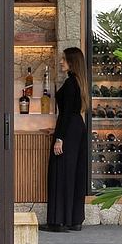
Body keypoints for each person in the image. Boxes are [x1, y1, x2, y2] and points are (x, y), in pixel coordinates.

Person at [45, 46, 89, 232]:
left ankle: (58, 221)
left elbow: (66, 114)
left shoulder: (71, 83)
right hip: (77, 129)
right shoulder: (79, 82)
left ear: (72, 62)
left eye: (64, 59)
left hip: (68, 130)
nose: (61, 61)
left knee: (60, 172)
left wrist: (59, 138)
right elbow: (72, 113)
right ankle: (74, 220)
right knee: (75, 173)